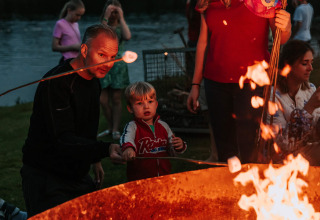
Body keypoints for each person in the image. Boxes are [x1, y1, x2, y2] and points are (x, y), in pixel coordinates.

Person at [21, 24, 123, 218]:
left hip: (76, 173)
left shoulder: (94, 82)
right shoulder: (57, 83)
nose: (108, 63)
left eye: (113, 57)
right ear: (84, 50)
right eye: (102, 55)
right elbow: (63, 139)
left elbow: (87, 126)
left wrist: (94, 160)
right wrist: (105, 149)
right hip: (45, 174)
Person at [187, 0, 291, 163]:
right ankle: (228, 185)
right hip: (215, 82)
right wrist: (195, 84)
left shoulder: (263, 2)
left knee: (250, 145)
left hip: (252, 83)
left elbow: (281, 38)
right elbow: (203, 42)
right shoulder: (208, 2)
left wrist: (286, 26)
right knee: (224, 147)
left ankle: (252, 185)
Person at [120, 82, 187, 181]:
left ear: (156, 104)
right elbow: (126, 139)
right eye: (139, 103)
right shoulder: (132, 127)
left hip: (164, 177)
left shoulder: (164, 126)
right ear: (130, 108)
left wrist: (179, 146)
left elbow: (172, 150)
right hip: (140, 180)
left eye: (150, 102)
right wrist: (128, 148)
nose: (146, 107)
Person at [269, 40, 320, 163]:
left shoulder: (310, 89)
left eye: (311, 63)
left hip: (306, 150)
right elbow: (284, 144)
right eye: (304, 63)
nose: (310, 68)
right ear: (288, 66)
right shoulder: (273, 96)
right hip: (283, 159)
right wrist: (309, 108)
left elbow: (316, 131)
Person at [186, 0, 218, 162]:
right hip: (208, 68)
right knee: (211, 114)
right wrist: (195, 84)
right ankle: (215, 153)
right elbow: (202, 40)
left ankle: (218, 154)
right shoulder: (201, 6)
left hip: (215, 65)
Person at [97, 0, 131, 141]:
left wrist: (121, 17)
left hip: (118, 66)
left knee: (116, 99)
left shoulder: (120, 26)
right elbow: (100, 36)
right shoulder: (102, 25)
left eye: (116, 11)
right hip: (103, 65)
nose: (113, 14)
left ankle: (115, 129)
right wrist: (106, 15)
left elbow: (128, 36)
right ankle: (110, 127)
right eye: (112, 11)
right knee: (103, 100)